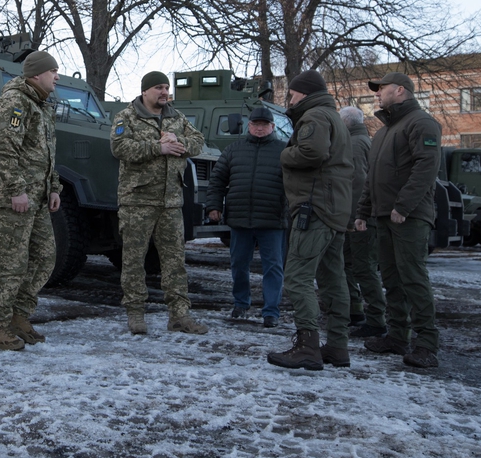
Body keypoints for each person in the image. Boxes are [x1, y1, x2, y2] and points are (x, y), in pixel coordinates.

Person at [354, 72, 443, 368]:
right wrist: (363, 212)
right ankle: (396, 336)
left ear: (401, 91)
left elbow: (426, 169)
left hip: (409, 216)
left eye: (382, 89)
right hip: (383, 216)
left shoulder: (422, 123)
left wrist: (404, 206)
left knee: (413, 278)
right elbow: (371, 178)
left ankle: (427, 344)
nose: (377, 94)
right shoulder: (382, 132)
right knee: (391, 279)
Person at [110, 71, 208, 336]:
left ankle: (179, 316)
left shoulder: (177, 117)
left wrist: (179, 141)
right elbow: (119, 148)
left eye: (166, 87)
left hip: (171, 202)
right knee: (133, 260)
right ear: (145, 91)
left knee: (175, 261)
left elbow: (199, 142)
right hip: (137, 202)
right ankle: (135, 313)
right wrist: (158, 147)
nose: (164, 92)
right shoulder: (126, 117)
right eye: (158, 87)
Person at [267, 70, 353, 371]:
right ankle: (338, 346)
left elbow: (311, 152)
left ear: (303, 93)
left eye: (291, 94)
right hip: (335, 210)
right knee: (333, 279)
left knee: (297, 276)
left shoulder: (315, 117)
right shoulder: (334, 118)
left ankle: (307, 346)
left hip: (314, 209)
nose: (289, 99)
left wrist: (284, 154)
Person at [0, 51, 62, 351]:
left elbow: (48, 155)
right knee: (12, 264)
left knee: (45, 257)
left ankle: (19, 316)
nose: (57, 76)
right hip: (15, 198)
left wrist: (54, 188)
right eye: (52, 71)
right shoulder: (15, 102)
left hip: (38, 198)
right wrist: (17, 190)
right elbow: (4, 150)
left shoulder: (41, 105)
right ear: (35, 75)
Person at [205, 106, 287, 328]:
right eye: (255, 124)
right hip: (240, 219)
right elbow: (217, 181)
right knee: (239, 264)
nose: (259, 128)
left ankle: (271, 311)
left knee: (273, 267)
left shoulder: (285, 150)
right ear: (249, 126)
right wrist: (213, 206)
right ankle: (241, 303)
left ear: (272, 127)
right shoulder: (233, 150)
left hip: (273, 219)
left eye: (264, 125)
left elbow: (297, 183)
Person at [339, 106, 387, 338]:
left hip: (359, 219)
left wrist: (354, 217)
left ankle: (376, 319)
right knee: (347, 263)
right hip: (361, 215)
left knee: (363, 268)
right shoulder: (362, 140)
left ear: (346, 122)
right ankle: (355, 310)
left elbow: (357, 182)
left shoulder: (355, 144)